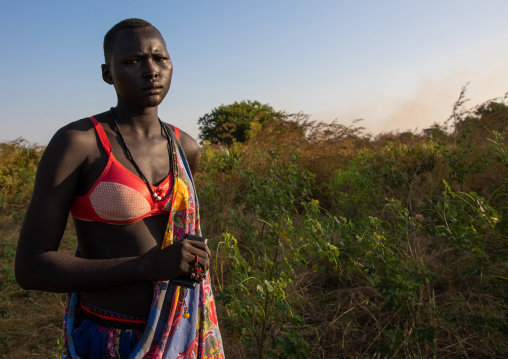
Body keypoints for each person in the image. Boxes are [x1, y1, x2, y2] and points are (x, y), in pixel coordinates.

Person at [15, 18, 224, 359]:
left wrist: (192, 257)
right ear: (107, 73)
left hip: (181, 330)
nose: (151, 70)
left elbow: (177, 234)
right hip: (109, 337)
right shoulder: (79, 144)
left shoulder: (185, 147)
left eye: (160, 58)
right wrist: (146, 267)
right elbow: (30, 268)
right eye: (132, 61)